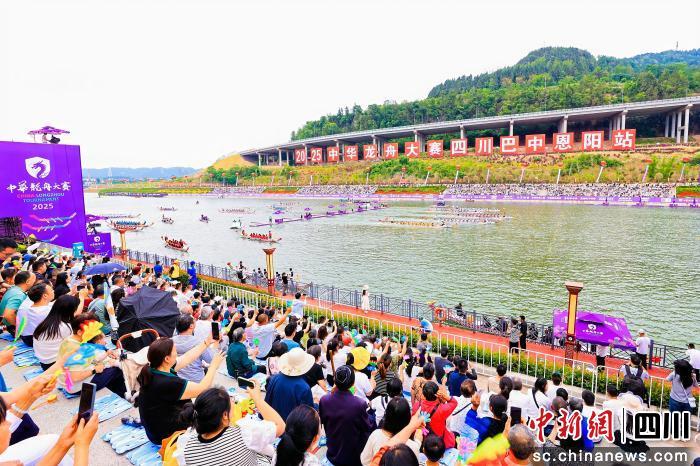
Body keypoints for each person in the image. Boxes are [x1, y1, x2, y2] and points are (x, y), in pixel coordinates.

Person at [137, 336, 225, 445]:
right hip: (166, 436)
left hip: (155, 431)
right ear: (167, 359)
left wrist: (206, 343)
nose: (177, 352)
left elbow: (186, 358)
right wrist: (213, 367)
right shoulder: (168, 382)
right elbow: (202, 388)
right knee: (213, 406)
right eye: (175, 350)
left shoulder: (153, 369)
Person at [181, 383, 284, 466]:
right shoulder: (244, 434)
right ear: (225, 415)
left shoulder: (188, 447)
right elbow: (280, 425)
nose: (234, 402)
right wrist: (258, 399)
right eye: (232, 400)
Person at [57, 313, 127, 398]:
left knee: (109, 364)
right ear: (79, 332)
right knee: (118, 369)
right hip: (75, 387)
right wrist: (94, 370)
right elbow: (74, 377)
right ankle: (123, 395)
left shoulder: (72, 339)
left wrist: (107, 351)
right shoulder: (75, 348)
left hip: (68, 381)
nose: (97, 333)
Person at [319, 366, 374, 466]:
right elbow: (366, 428)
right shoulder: (359, 404)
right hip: (352, 455)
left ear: (335, 381)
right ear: (353, 383)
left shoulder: (324, 400)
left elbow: (325, 423)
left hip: (333, 450)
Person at [33, 292, 87, 370]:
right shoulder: (65, 326)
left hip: (44, 363)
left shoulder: (48, 321)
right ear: (70, 310)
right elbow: (74, 344)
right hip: (54, 365)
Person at [360, 397, 421, 466]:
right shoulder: (412, 446)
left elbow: (364, 460)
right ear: (407, 418)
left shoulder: (375, 435)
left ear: (387, 415)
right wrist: (417, 442)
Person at [265, 347, 314, 421]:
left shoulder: (274, 378)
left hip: (273, 421)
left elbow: (267, 400)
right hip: (290, 425)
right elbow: (307, 415)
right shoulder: (304, 387)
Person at [412, 382, 457, 449]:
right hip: (438, 440)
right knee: (456, 435)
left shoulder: (417, 406)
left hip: (421, 439)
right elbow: (454, 403)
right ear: (437, 394)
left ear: (423, 394)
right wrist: (445, 396)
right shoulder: (442, 409)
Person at [173, 314, 214, 383]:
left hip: (176, 379)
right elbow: (210, 359)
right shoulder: (199, 342)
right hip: (195, 380)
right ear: (191, 326)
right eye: (194, 320)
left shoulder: (170, 342)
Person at [16, 282, 54, 347]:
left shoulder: (30, 306)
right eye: (51, 290)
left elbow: (56, 303)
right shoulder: (46, 311)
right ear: (45, 296)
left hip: (25, 337)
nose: (53, 291)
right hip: (35, 340)